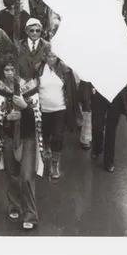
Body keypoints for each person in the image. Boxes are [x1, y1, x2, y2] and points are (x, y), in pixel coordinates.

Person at [0, 62, 43, 231]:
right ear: (2, 71)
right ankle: (14, 205)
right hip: (9, 136)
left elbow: (38, 118)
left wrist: (25, 108)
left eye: (13, 70)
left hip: (28, 138)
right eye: (7, 69)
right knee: (12, 174)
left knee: (26, 176)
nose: (10, 73)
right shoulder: (0, 89)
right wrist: (6, 118)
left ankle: (30, 215)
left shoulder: (30, 88)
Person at [38, 51, 79, 180]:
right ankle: (45, 149)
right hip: (43, 109)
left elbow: (71, 91)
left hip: (60, 109)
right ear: (45, 57)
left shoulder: (65, 70)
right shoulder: (38, 69)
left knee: (58, 136)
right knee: (44, 135)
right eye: (49, 56)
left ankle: (55, 164)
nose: (51, 59)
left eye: (54, 56)